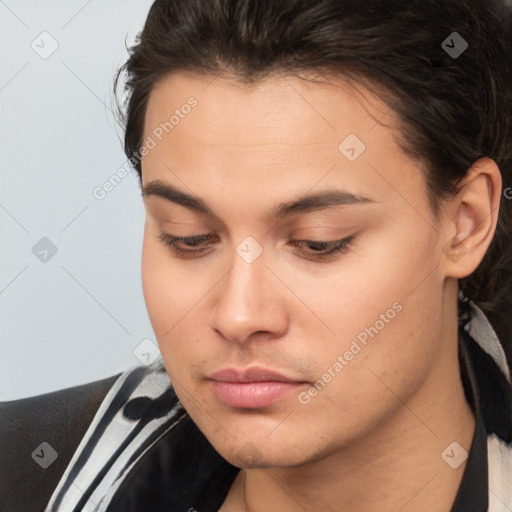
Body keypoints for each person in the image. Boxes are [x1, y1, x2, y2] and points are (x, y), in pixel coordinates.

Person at [2, 0, 512, 510]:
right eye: (189, 237)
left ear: (466, 222)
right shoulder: (22, 476)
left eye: (318, 243)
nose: (239, 316)